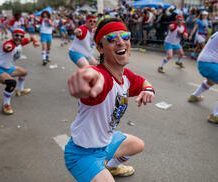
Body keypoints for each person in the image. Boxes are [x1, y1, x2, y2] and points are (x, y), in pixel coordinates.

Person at [64, 18, 155, 182]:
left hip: (105, 143)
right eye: (112, 39)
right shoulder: (102, 76)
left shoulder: (125, 76)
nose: (121, 42)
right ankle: (97, 171)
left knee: (138, 145)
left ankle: (112, 166)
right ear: (99, 48)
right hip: (83, 154)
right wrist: (87, 79)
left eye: (125, 37)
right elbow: (95, 77)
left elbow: (142, 82)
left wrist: (148, 90)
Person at [0, 28, 40, 115]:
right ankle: (6, 104)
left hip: (9, 68)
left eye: (21, 36)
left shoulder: (21, 42)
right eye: (16, 35)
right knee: (11, 83)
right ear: (12, 35)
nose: (19, 37)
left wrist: (35, 41)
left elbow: (32, 36)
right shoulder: (9, 44)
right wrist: (7, 47)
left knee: (24, 72)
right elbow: (7, 46)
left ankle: (20, 90)